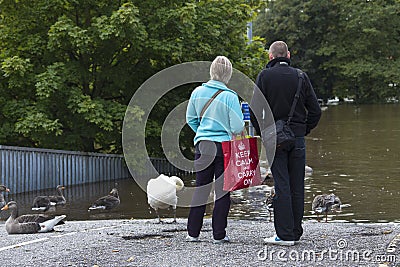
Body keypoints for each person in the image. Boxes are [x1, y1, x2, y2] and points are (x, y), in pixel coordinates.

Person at [250, 41, 321, 246]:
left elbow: (255, 111)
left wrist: (263, 132)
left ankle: (284, 235)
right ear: (288, 55)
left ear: (270, 57)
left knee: (281, 185)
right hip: (297, 138)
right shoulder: (301, 76)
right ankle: (296, 232)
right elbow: (315, 111)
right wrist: (303, 130)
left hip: (274, 139)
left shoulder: (264, 76)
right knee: (297, 185)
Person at [186, 56, 244, 243]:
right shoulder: (230, 96)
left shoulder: (197, 92)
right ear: (228, 74)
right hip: (224, 147)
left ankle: (192, 233)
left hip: (203, 145)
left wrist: (203, 133)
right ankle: (219, 235)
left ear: (211, 71)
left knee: (201, 189)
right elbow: (236, 127)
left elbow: (191, 119)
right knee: (223, 191)